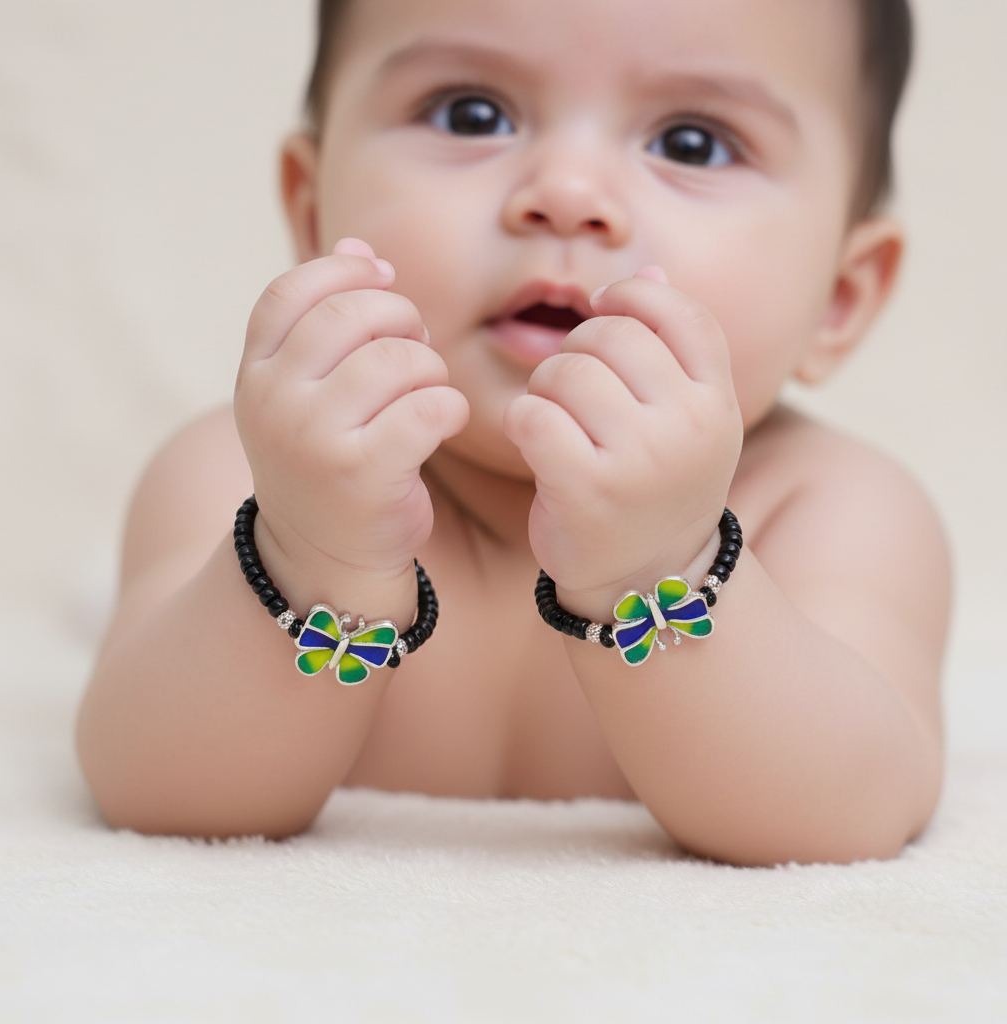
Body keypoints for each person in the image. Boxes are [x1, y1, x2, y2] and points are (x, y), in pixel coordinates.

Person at [76, 0, 949, 866]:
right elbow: (155, 791)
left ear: (841, 296)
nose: (566, 196)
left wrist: (665, 566)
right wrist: (307, 553)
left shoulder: (833, 510)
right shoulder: (241, 475)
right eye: (471, 114)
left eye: (692, 142)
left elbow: (847, 813)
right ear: (314, 215)